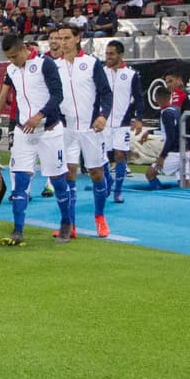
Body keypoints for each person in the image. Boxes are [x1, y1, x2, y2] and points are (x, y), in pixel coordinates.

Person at [0, 34, 72, 246]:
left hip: (49, 130)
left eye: (13, 56)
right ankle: (18, 229)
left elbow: (58, 95)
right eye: (8, 58)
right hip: (23, 131)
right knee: (20, 180)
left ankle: (66, 223)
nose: (12, 61)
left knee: (57, 179)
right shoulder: (11, 70)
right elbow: (3, 95)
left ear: (24, 49)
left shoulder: (44, 64)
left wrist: (39, 115)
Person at [50, 24, 113, 239]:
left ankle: (100, 216)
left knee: (96, 173)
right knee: (69, 173)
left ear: (78, 39)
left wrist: (103, 115)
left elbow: (106, 92)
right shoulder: (54, 65)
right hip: (66, 128)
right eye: (60, 38)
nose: (62, 42)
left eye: (67, 38)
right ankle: (71, 223)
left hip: (90, 128)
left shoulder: (91, 63)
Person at [103, 40, 144, 203]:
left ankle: (118, 190)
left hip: (123, 123)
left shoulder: (131, 74)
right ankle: (108, 180)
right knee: (102, 156)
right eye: (106, 53)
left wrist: (139, 118)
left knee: (120, 154)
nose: (108, 57)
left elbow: (139, 98)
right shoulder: (101, 72)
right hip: (103, 122)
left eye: (112, 53)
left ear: (120, 55)